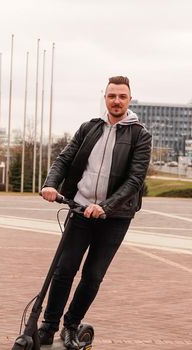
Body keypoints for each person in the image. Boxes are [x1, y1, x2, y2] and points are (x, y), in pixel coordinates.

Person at [39, 76, 152, 349]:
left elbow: (134, 180)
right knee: (64, 269)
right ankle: (48, 326)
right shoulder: (89, 128)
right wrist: (50, 184)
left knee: (93, 275)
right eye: (112, 96)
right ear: (105, 97)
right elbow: (64, 158)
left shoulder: (140, 135)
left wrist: (105, 207)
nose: (116, 101)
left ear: (129, 100)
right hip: (79, 210)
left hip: (114, 217)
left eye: (122, 97)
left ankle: (71, 325)